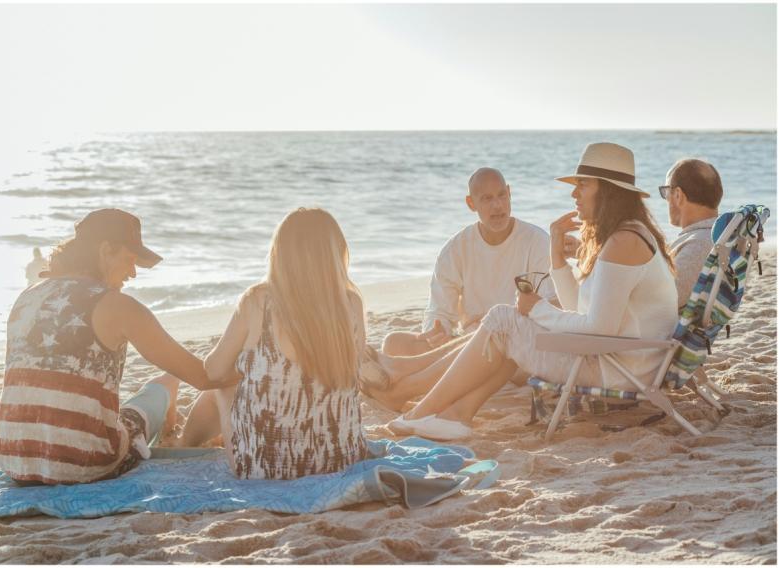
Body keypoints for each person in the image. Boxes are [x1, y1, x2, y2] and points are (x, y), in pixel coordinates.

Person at [389, 142, 679, 440]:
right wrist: (557, 257)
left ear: (607, 191)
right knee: (508, 324)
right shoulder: (626, 236)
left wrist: (537, 309)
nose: (574, 194)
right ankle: (456, 415)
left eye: (582, 185)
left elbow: (599, 328)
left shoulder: (624, 242)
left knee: (503, 319)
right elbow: (578, 311)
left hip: (620, 372)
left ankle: (423, 411)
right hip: (621, 363)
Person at [0, 209, 223, 485]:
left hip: (12, 457)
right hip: (85, 463)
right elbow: (204, 377)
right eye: (130, 260)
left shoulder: (27, 297)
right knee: (166, 382)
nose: (133, 273)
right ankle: (175, 438)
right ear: (105, 250)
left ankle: (171, 434)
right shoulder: (118, 305)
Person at [178, 208, 370, 480]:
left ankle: (183, 445)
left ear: (279, 254)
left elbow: (214, 371)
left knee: (223, 388)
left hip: (266, 468)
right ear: (337, 253)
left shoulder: (258, 300)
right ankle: (186, 442)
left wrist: (245, 365)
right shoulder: (351, 302)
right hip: (339, 459)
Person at [381, 168, 554, 357]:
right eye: (487, 198)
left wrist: (497, 327)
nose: (497, 205)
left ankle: (410, 371)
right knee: (394, 342)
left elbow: (550, 311)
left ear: (509, 193)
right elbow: (439, 312)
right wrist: (438, 333)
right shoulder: (455, 249)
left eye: (501, 195)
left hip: (518, 346)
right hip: (469, 345)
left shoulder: (537, 242)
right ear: (471, 203)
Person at [659, 158, 723, 307]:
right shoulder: (719, 235)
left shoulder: (699, 243)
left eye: (666, 191)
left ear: (678, 195)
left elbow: (668, 300)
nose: (666, 199)